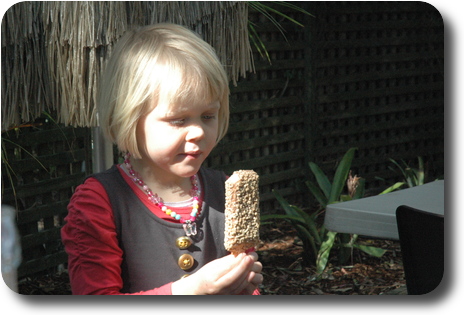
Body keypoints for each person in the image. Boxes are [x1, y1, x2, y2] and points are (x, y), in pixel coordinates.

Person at [61, 23, 263, 295]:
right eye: (178, 120)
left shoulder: (224, 190)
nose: (199, 131)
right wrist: (190, 292)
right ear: (129, 117)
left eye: (208, 116)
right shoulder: (99, 201)